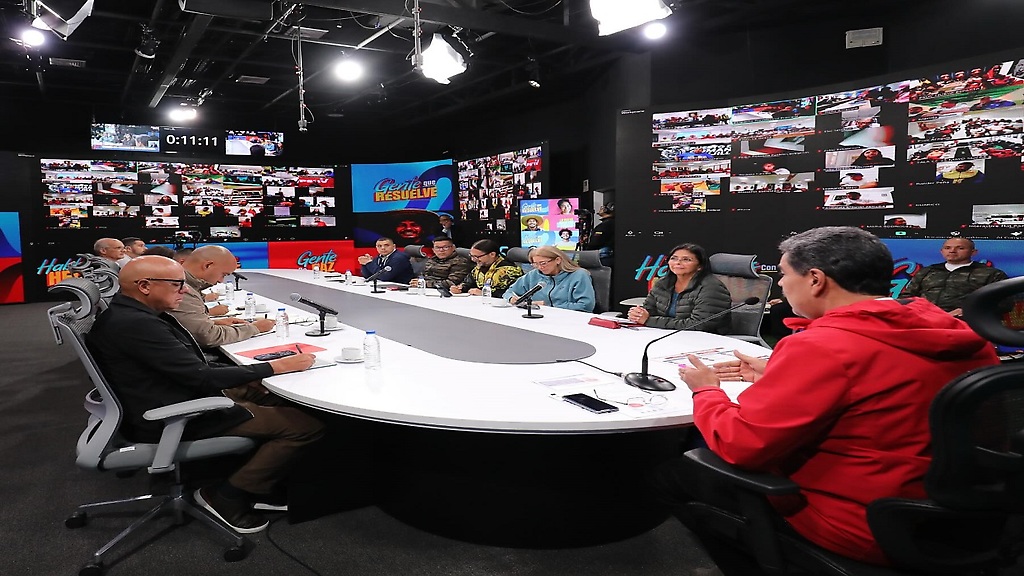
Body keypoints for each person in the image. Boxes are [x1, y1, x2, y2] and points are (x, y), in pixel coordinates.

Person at [657, 227, 1000, 569]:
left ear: (815, 280)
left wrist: (706, 390)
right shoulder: (955, 332)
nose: (780, 284)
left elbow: (739, 446)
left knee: (668, 473)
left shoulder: (823, 346)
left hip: (858, 522)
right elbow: (881, 389)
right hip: (959, 518)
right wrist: (779, 374)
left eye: (785, 274)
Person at [86, 256, 325, 534]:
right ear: (145, 286)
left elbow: (188, 367)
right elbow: (201, 376)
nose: (186, 289)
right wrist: (276, 367)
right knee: (305, 427)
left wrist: (252, 374)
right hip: (170, 414)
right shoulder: (136, 325)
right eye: (177, 284)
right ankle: (226, 496)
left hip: (163, 394)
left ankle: (270, 478)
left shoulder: (129, 314)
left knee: (269, 394)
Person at [168, 245, 276, 347]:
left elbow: (181, 325)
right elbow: (208, 336)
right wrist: (255, 328)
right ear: (207, 265)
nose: (221, 281)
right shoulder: (182, 290)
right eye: (223, 274)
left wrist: (213, 323)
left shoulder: (181, 284)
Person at [627, 243, 732, 333]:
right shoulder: (662, 283)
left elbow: (698, 325)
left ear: (700, 266)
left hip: (703, 340)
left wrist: (649, 321)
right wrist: (638, 314)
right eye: (674, 258)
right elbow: (649, 311)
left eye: (686, 259)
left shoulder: (712, 288)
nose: (678, 262)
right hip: (666, 335)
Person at [901, 237, 1008, 317]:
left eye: (960, 248)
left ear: (973, 252)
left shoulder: (991, 274)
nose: (952, 251)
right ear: (941, 251)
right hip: (924, 319)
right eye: (947, 248)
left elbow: (1004, 302)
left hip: (966, 322)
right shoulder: (927, 271)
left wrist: (967, 311)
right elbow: (907, 297)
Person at [505, 246, 595, 312]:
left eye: (543, 263)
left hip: (569, 320)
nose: (540, 267)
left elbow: (585, 305)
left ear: (558, 260)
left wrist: (549, 306)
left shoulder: (579, 275)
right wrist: (511, 298)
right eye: (535, 264)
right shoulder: (533, 274)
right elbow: (509, 292)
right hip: (539, 318)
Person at [450, 239, 524, 299]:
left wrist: (484, 293)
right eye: (471, 256)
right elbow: (469, 282)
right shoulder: (479, 267)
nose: (473, 259)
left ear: (492, 254)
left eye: (477, 257)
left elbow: (512, 293)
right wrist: (460, 288)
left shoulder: (510, 271)